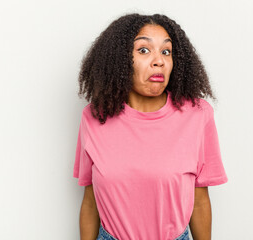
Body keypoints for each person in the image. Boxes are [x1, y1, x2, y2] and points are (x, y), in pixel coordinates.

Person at [73, 13, 228, 240]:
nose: (159, 61)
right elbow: (90, 200)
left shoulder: (197, 115)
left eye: (166, 51)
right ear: (120, 60)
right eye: (144, 50)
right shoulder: (95, 117)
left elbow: (200, 199)